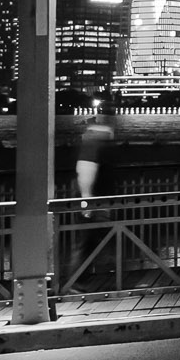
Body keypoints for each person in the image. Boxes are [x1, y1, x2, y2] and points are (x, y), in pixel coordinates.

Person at [69, 121, 116, 286]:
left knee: (91, 240)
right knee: (88, 241)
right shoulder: (94, 147)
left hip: (95, 202)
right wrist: (86, 203)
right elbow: (86, 175)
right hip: (93, 203)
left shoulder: (92, 146)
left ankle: (84, 278)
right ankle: (77, 281)